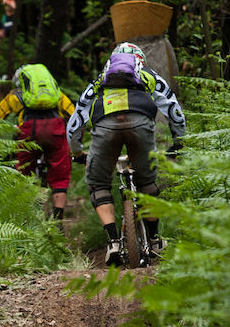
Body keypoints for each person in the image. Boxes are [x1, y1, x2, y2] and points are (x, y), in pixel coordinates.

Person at [66, 42, 186, 265]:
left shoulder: (100, 81)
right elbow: (173, 109)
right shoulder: (148, 75)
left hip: (105, 126)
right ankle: (155, 239)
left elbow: (76, 120)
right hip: (140, 123)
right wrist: (178, 142)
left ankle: (113, 243)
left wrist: (77, 152)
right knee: (147, 181)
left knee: (99, 183)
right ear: (140, 60)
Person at [0, 64, 76, 221]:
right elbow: (73, 114)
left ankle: (27, 217)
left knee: (24, 172)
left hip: (29, 131)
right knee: (60, 174)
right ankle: (57, 220)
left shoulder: (14, 96)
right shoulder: (56, 95)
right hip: (55, 130)